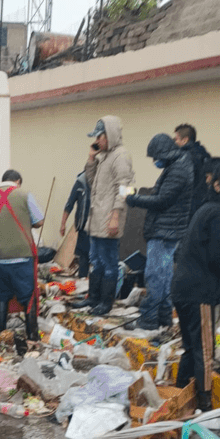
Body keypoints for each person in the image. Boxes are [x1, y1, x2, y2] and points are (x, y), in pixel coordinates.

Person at [171, 159, 220, 417]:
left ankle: (179, 394)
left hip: (182, 288)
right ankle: (205, 408)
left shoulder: (205, 208)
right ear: (217, 185)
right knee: (205, 349)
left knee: (191, 347)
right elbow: (216, 256)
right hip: (199, 291)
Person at [124, 133, 194, 332]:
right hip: (169, 231)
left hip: (165, 232)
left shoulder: (178, 169)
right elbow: (163, 195)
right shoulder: (179, 165)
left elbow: (162, 200)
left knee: (155, 276)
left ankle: (148, 319)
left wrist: (134, 199)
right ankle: (163, 318)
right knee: (163, 276)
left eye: (156, 157)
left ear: (164, 152)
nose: (155, 161)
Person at [0, 169, 44, 338]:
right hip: (22, 257)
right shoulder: (25, 195)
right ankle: (32, 335)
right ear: (17, 182)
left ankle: (0, 332)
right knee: (28, 296)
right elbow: (39, 220)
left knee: (0, 294)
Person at [78, 116, 134, 315]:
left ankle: (105, 302)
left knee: (109, 263)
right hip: (96, 219)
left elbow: (125, 188)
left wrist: (116, 216)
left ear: (109, 135)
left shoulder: (121, 156)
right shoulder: (105, 157)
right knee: (96, 261)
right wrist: (92, 160)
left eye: (99, 137)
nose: (97, 141)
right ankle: (93, 298)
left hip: (109, 218)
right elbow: (93, 184)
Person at [173, 124, 210, 215]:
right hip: (203, 206)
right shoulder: (205, 155)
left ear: (185, 140)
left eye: (176, 139)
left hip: (186, 209)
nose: (174, 142)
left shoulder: (184, 158)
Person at [60, 170, 91, 279]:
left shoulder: (103, 180)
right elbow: (69, 204)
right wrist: (63, 224)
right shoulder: (80, 183)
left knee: (97, 257)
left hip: (100, 226)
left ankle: (93, 284)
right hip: (83, 225)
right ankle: (83, 280)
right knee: (84, 255)